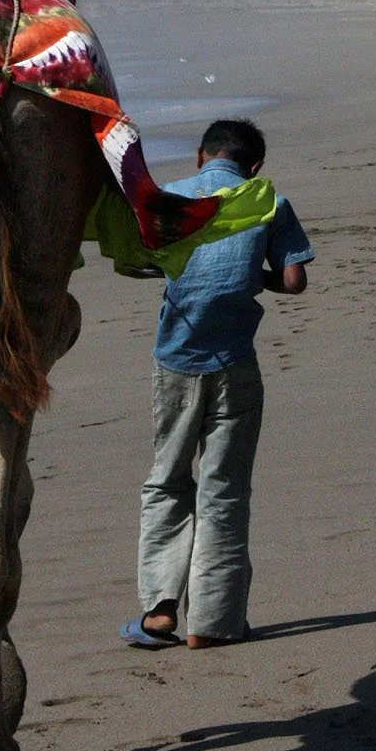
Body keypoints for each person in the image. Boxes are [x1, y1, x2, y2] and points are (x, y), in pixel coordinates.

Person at [121, 118, 313, 650]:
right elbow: (295, 280)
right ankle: (214, 621)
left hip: (177, 358)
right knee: (224, 491)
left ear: (201, 157)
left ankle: (160, 610)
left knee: (167, 479)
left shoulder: (171, 198)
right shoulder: (267, 199)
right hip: (235, 361)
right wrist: (256, 275)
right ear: (253, 167)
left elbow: (140, 260)